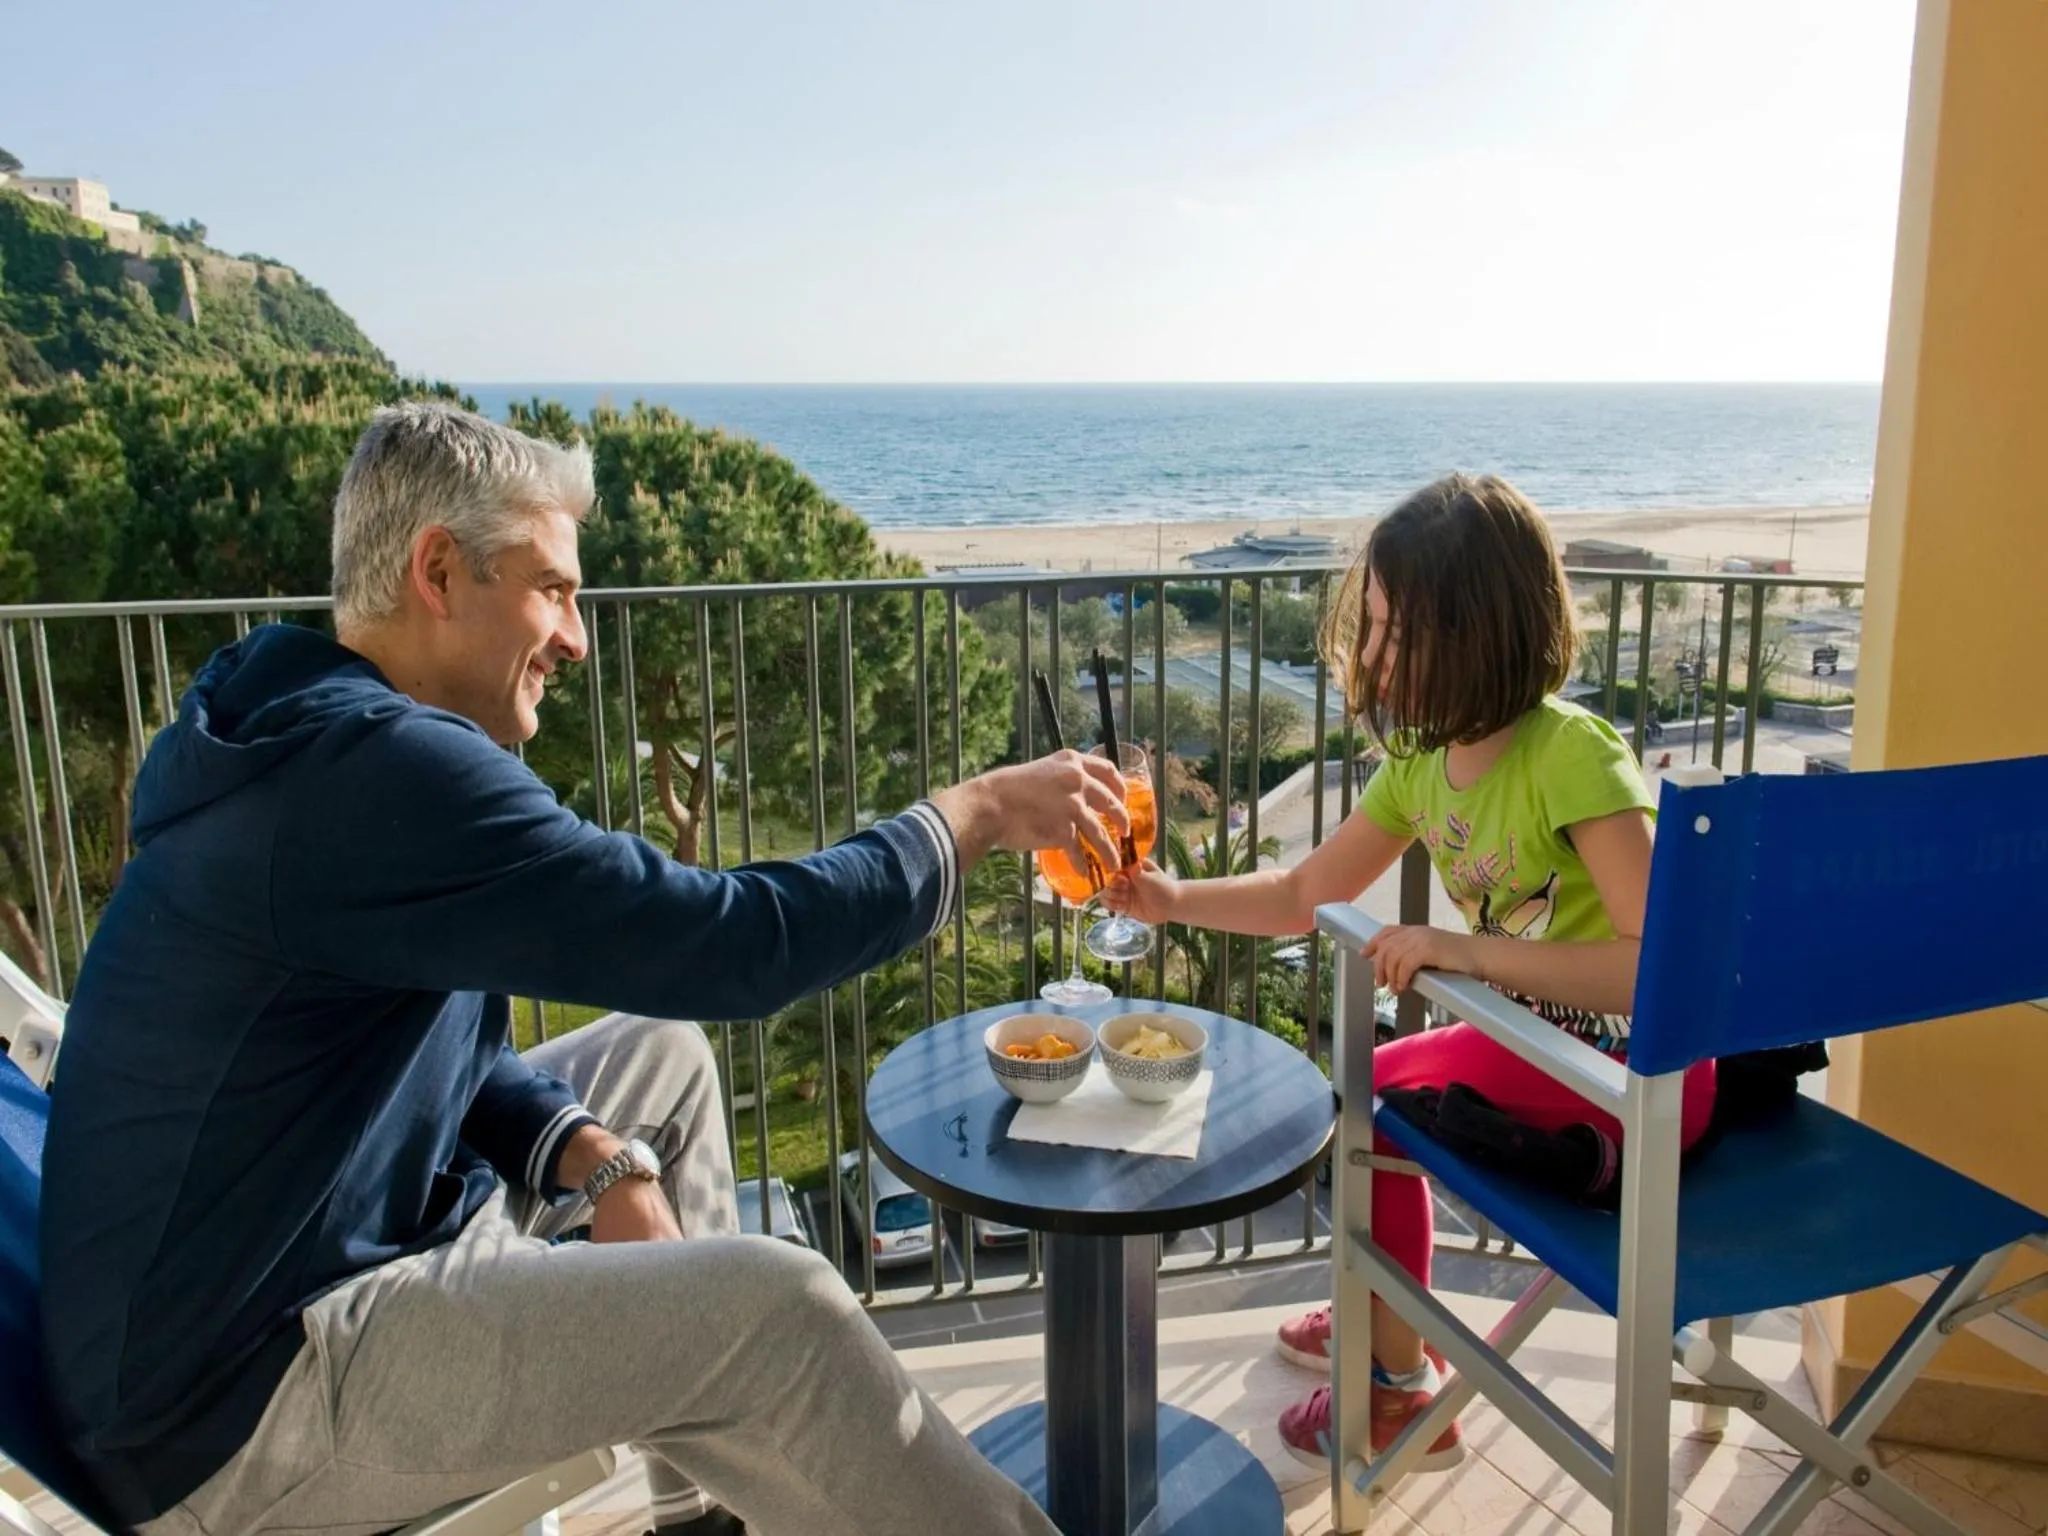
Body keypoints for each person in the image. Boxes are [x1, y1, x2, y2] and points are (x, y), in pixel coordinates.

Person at [40, 402, 1131, 1536]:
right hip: (242, 1404)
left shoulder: (291, 725)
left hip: (279, 1272)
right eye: (552, 589)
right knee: (780, 1310)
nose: (577, 638)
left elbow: (425, 1041)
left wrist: (576, 1144)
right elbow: (729, 941)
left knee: (654, 1059)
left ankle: (694, 1516)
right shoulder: (377, 775)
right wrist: (973, 813)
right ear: (438, 570)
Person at [1102, 473, 1716, 1473]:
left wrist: (1460, 950)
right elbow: (1308, 893)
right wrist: (1173, 900)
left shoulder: (1570, 754)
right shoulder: (1422, 765)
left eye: (1396, 631)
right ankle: (1387, 1304)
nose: (1369, 654)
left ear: (1477, 634)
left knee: (1366, 1098)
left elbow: (1661, 974)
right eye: (1372, 624)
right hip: (1540, 1054)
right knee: (1364, 1088)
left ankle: (1398, 1386)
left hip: (1637, 1083)